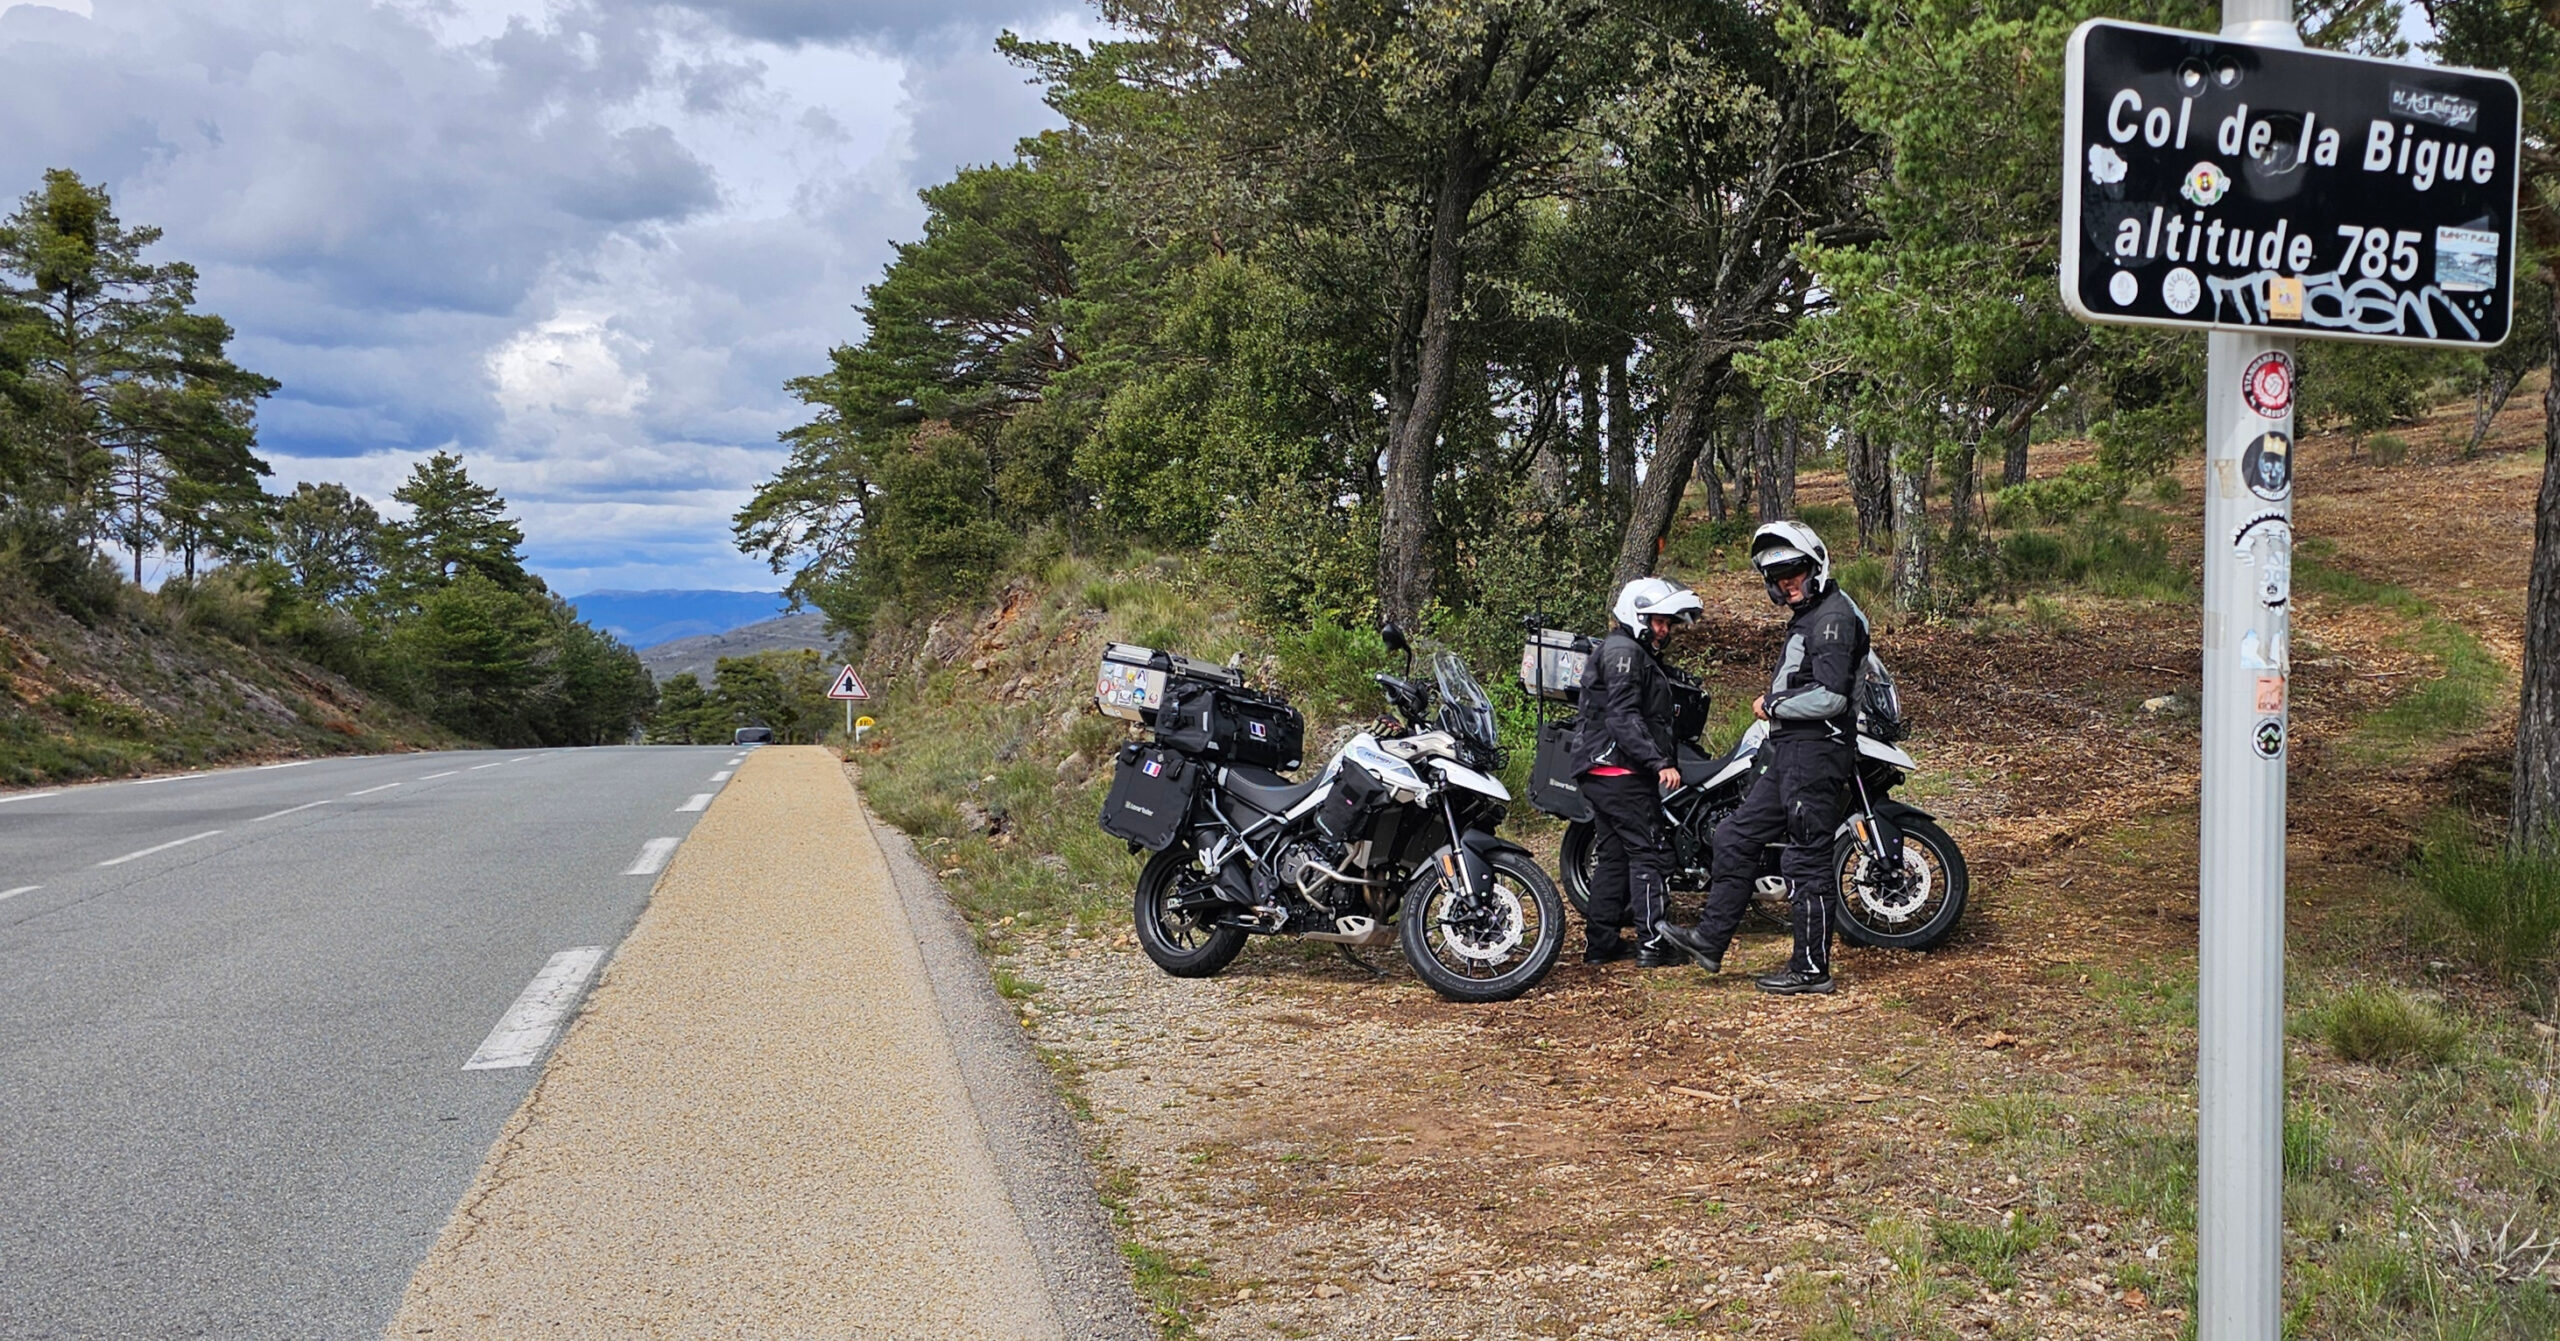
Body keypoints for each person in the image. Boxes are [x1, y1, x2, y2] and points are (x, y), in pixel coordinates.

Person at [1656, 521, 1869, 994]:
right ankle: (1709, 942)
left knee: (1807, 860)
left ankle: (1811, 969)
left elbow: (1832, 697)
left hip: (1816, 753)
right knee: (1734, 833)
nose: (1785, 583)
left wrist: (1772, 704)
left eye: (1793, 571)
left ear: (1814, 566)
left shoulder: (1833, 618)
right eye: (1777, 577)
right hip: (1788, 752)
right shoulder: (1812, 615)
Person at [1569, 577, 1702, 966]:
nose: (1664, 630)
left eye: (1668, 624)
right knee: (1650, 852)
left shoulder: (1625, 650)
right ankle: (1654, 944)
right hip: (1619, 770)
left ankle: (1601, 943)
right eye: (1659, 622)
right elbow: (1623, 717)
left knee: (1614, 856)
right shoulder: (1624, 653)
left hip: (1602, 769)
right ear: (1638, 615)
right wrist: (1660, 762)